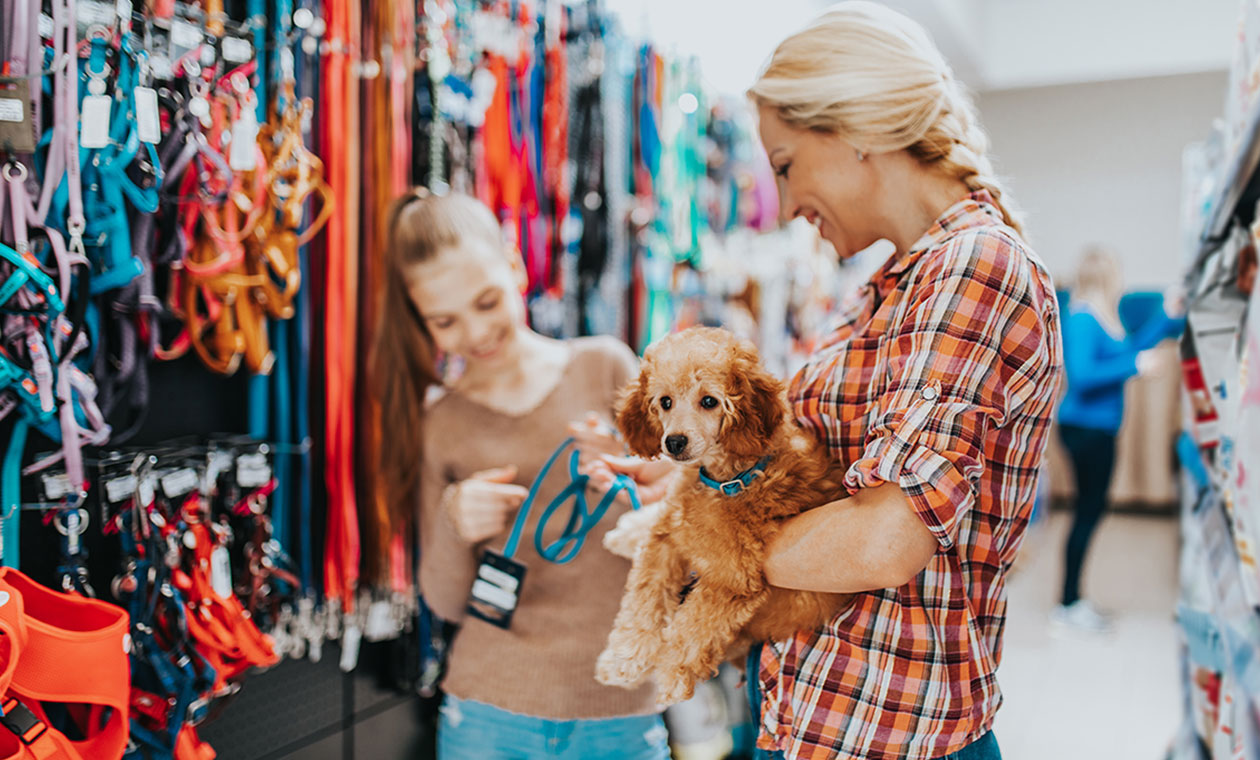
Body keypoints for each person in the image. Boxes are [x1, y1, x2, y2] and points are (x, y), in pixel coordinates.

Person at [598, 4, 1061, 758]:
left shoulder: (973, 267)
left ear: (857, 131)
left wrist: (696, 532)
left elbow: (883, 540)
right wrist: (702, 480)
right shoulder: (885, 287)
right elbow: (819, 482)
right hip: (808, 710)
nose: (782, 205)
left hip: (885, 731)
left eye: (784, 166)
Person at [371, 188, 669, 760]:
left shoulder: (605, 366)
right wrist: (456, 524)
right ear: (420, 320)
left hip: (622, 710)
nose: (475, 333)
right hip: (489, 715)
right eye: (445, 321)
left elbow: (686, 530)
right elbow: (446, 601)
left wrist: (640, 481)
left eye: (486, 302)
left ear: (514, 264)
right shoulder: (439, 422)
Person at [1053, 246, 1184, 633]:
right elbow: (1082, 376)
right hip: (1085, 429)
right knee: (1087, 513)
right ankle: (1067, 606)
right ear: (1107, 277)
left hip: (1098, 429)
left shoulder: (1102, 318)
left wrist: (1167, 316)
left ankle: (1072, 601)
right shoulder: (1082, 318)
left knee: (1090, 512)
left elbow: (1130, 351)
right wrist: (1135, 366)